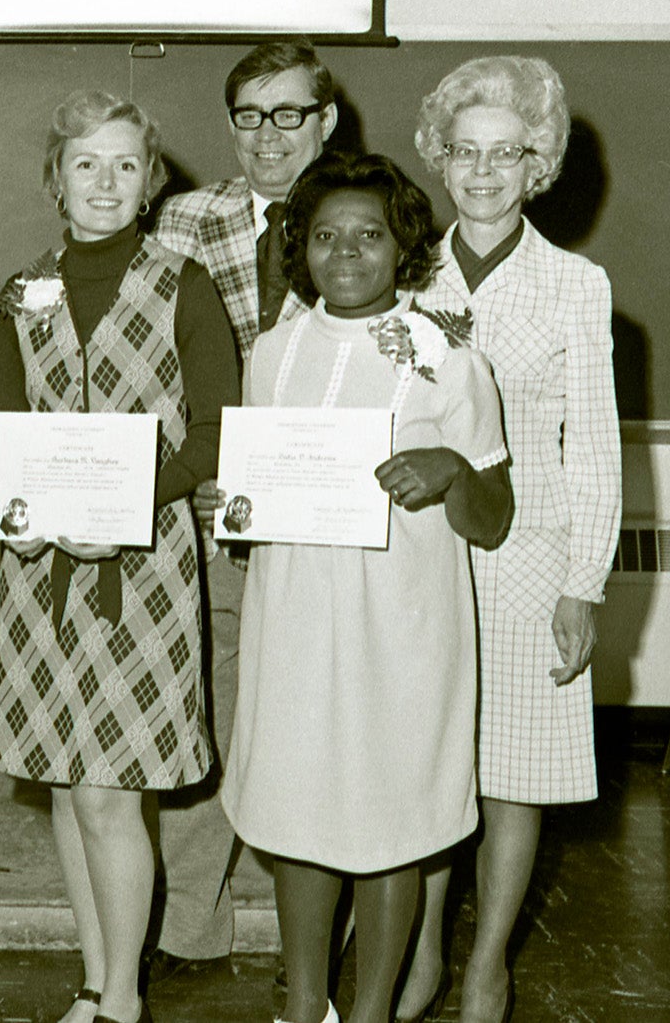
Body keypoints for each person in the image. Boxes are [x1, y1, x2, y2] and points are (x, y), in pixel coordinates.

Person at [222, 153, 513, 1023]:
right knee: (300, 809)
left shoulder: (447, 357)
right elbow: (256, 496)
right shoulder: (273, 351)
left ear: (403, 249)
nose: (345, 252)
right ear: (299, 249)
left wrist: (453, 466)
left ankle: (374, 1009)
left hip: (403, 627)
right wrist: (234, 501)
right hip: (297, 618)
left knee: (393, 815)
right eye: (323, 236)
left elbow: (492, 518)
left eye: (368, 235)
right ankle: (307, 1005)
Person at [0, 91, 237, 1023]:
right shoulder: (22, 290)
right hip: (41, 565)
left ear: (151, 180)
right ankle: (94, 983)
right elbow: (1, 427)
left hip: (145, 570)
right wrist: (37, 511)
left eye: (125, 163)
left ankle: (123, 998)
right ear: (55, 178)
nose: (104, 180)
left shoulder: (185, 283)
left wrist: (129, 500)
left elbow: (214, 432)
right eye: (85, 162)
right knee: (65, 781)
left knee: (107, 791)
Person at [399, 57, 621, 1023]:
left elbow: (598, 444)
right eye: (465, 150)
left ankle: (487, 961)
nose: (484, 171)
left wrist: (587, 583)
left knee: (515, 771)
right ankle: (417, 958)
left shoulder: (576, 282)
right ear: (440, 159)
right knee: (426, 758)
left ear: (539, 165)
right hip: (423, 553)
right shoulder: (405, 273)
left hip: (532, 556)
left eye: (508, 153)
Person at [149, 39, 340, 978]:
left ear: (326, 120)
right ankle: (193, 920)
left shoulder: (365, 218)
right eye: (250, 116)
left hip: (332, 522)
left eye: (290, 113)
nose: (269, 136)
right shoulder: (183, 219)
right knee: (208, 708)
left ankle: (322, 920)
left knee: (321, 711)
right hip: (211, 515)